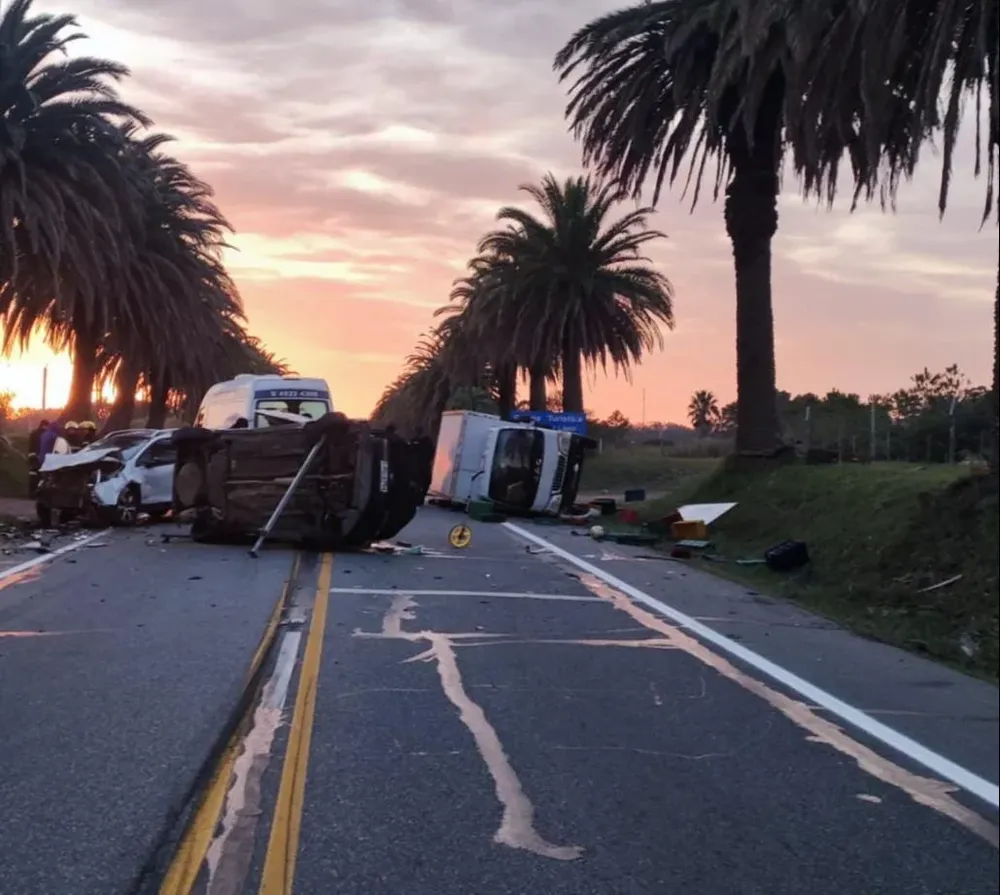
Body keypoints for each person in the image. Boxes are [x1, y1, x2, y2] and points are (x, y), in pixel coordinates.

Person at [28, 419, 49, 497]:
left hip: (33, 457)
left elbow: (30, 445)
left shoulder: (33, 433)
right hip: (41, 457)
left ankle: (32, 493)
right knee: (42, 476)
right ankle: (40, 493)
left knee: (34, 476)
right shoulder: (46, 434)